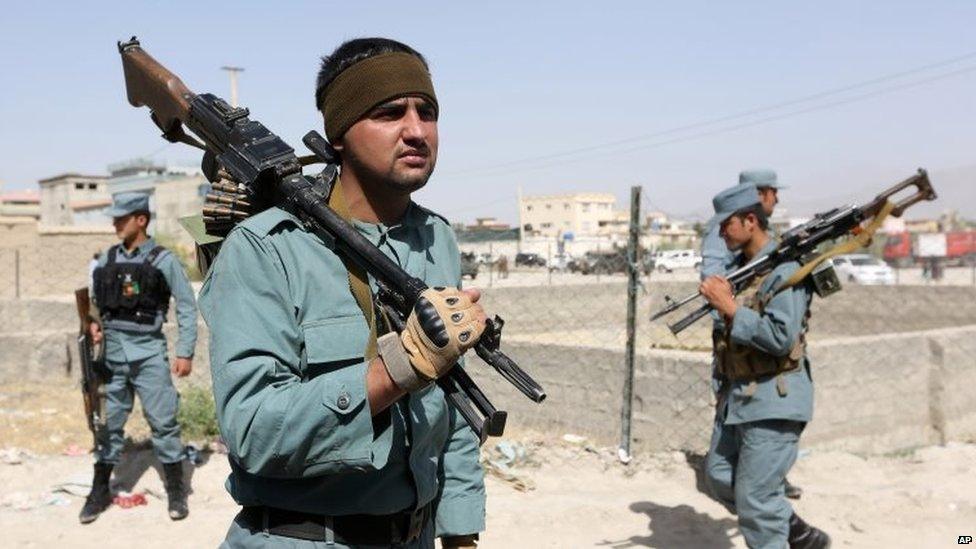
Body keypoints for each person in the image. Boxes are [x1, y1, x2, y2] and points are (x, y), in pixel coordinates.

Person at [198, 37, 487, 548]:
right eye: (389, 113)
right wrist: (397, 370)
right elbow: (252, 431)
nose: (416, 130)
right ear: (337, 135)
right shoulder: (267, 250)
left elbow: (454, 398)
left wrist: (460, 530)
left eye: (428, 112)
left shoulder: (434, 237)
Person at [699, 184, 830, 549]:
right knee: (721, 477)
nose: (721, 232)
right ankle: (796, 532)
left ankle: (777, 529)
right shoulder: (746, 270)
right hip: (738, 397)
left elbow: (779, 338)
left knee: (755, 502)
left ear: (750, 220)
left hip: (775, 397)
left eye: (727, 224)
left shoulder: (786, 270)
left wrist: (729, 308)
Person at [80, 191, 198, 524]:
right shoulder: (106, 260)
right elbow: (95, 301)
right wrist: (94, 324)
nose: (115, 223)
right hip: (113, 353)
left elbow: (187, 306)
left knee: (163, 422)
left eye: (121, 218)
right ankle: (99, 490)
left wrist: (185, 351)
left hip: (149, 352)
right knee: (109, 426)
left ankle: (176, 490)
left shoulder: (164, 259)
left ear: (141, 220)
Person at [699, 169, 802, 500]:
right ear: (759, 196)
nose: (774, 199)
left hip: (766, 363)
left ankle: (766, 495)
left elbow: (781, 334)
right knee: (723, 465)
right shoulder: (728, 231)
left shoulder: (780, 257)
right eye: (771, 192)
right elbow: (713, 281)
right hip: (737, 338)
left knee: (756, 481)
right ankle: (765, 497)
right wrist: (730, 309)